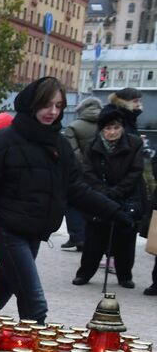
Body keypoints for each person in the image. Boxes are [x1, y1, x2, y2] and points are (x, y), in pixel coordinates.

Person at [0, 76, 126, 323]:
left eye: (58, 106)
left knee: (5, 285)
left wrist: (114, 211)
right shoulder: (4, 141)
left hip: (34, 231)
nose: (52, 112)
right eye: (46, 104)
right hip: (6, 230)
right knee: (34, 303)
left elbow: (75, 188)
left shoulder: (59, 143)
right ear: (32, 104)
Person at [73, 106, 145, 288]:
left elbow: (136, 171)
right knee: (94, 239)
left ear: (122, 128)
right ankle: (85, 273)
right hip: (99, 197)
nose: (112, 132)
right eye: (108, 128)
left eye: (116, 128)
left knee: (125, 240)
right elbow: (87, 171)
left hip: (126, 197)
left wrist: (117, 192)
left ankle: (124, 275)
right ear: (102, 130)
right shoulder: (93, 145)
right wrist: (103, 193)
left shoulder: (134, 143)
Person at [60, 96, 104, 250]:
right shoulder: (105, 125)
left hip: (78, 171)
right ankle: (91, 238)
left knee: (72, 204)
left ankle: (77, 236)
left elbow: (71, 151)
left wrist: (84, 165)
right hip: (100, 172)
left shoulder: (74, 126)